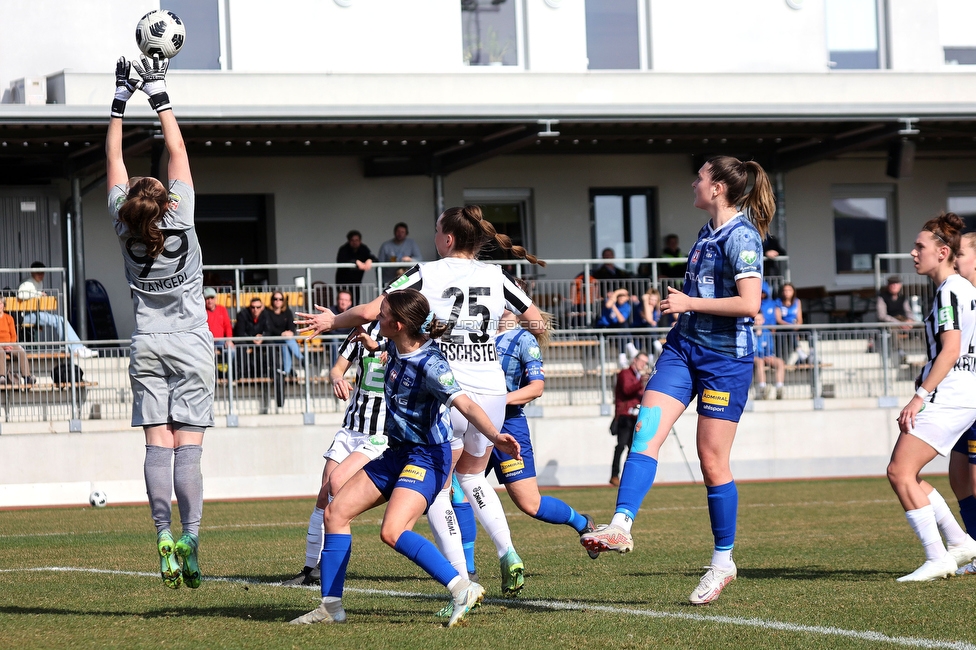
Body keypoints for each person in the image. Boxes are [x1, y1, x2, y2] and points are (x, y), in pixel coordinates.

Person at [297, 204, 546, 598]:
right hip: (492, 393)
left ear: (447, 238)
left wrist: (332, 322)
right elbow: (536, 318)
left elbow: (372, 309)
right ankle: (506, 551)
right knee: (473, 480)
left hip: (448, 390)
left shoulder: (427, 272)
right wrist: (487, 340)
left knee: (439, 492)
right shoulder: (496, 274)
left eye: (435, 231)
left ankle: (462, 582)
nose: (434, 237)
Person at [581, 155, 775, 605]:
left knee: (712, 462)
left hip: (726, 360)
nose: (694, 183)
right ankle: (621, 526)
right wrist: (683, 315)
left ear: (720, 188)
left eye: (701, 178)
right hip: (682, 350)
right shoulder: (707, 232)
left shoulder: (742, 236)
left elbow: (750, 305)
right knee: (645, 431)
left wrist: (689, 303)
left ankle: (722, 561)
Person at [290, 289, 521, 627]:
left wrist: (495, 437)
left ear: (397, 324)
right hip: (396, 451)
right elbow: (387, 352)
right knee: (335, 513)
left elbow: (466, 404)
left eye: (380, 315)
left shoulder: (432, 364)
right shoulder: (396, 345)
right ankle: (331, 608)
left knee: (393, 531)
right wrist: (373, 347)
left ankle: (462, 588)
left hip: (428, 457)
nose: (375, 318)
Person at [106, 54, 213, 590]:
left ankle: (161, 536)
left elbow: (115, 163)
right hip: (191, 340)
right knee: (188, 447)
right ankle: (190, 537)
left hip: (146, 341)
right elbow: (178, 149)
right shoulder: (183, 218)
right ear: (167, 201)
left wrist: (119, 102)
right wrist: (158, 92)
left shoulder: (125, 228)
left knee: (156, 445)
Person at [886, 212, 976, 582]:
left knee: (900, 471)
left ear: (942, 252)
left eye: (919, 246)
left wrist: (920, 396)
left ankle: (937, 556)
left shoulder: (950, 290)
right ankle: (961, 543)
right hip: (960, 393)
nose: (912, 253)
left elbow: (950, 350)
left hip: (951, 394)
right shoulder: (964, 289)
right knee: (911, 473)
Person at [283, 320, 387, 587]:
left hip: (379, 432)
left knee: (337, 489)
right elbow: (336, 370)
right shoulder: (360, 332)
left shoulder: (401, 336)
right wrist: (337, 379)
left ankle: (325, 566)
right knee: (323, 493)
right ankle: (309, 569)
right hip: (351, 427)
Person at [948, 232, 976, 575]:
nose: (955, 257)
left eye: (961, 252)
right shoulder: (960, 294)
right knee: (958, 477)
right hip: (963, 398)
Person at [17, 262, 97, 358]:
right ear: (32, 273)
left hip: (34, 313)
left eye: (42, 273)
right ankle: (76, 348)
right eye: (38, 273)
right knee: (58, 320)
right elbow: (20, 295)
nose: (41, 275)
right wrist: (38, 294)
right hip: (25, 316)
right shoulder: (27, 283)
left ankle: (77, 347)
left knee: (61, 319)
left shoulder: (39, 283)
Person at [609, 352, 649, 487]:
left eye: (645, 362)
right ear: (635, 360)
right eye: (642, 361)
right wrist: (641, 382)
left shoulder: (639, 378)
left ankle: (628, 477)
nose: (643, 364)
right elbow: (627, 390)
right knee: (621, 445)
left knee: (633, 448)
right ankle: (615, 475)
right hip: (625, 415)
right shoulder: (625, 374)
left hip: (636, 416)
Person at [267, 291, 304, 377]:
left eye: (280, 299)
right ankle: (302, 358)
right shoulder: (268, 312)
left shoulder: (287, 311)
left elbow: (291, 325)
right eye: (275, 299)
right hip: (274, 338)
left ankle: (286, 371)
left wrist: (290, 332)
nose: (278, 301)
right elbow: (270, 327)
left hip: (286, 339)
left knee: (286, 343)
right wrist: (282, 334)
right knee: (287, 341)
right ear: (272, 300)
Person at [335, 230, 377, 302]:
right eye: (352, 240)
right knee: (343, 303)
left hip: (356, 282)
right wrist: (355, 261)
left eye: (357, 240)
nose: (355, 242)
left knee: (355, 302)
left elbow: (375, 259)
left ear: (360, 241)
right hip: (343, 282)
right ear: (349, 241)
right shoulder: (343, 249)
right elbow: (341, 261)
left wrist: (369, 260)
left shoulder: (363, 248)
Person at [0, 296, 34, 385]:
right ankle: (2, 376)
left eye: (0, 303)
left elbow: (13, 334)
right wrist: (3, 346)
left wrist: (10, 344)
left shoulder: (9, 318)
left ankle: (27, 377)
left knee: (21, 352)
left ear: (3, 305)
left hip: (9, 343)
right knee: (1, 353)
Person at [752, 312, 784, 400]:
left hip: (766, 356)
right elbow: (751, 349)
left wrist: (769, 355)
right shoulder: (750, 332)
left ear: (763, 321)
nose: (757, 322)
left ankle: (779, 387)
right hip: (755, 357)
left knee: (780, 362)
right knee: (760, 361)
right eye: (756, 320)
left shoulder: (767, 332)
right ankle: (762, 387)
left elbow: (770, 347)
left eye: (759, 320)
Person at [774, 282, 806, 364]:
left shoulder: (797, 301)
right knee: (789, 333)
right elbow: (779, 319)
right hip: (783, 327)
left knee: (808, 331)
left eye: (789, 290)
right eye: (784, 290)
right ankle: (798, 350)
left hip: (793, 327)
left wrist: (798, 325)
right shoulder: (778, 302)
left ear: (793, 291)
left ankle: (810, 351)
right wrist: (790, 326)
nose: (786, 292)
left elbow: (799, 318)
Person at [204, 287, 234, 366]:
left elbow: (227, 325)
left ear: (215, 298)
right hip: (207, 342)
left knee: (232, 351)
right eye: (207, 298)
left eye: (212, 298)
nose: (209, 301)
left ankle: (231, 375)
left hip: (221, 341)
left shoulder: (222, 309)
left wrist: (229, 339)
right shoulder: (202, 311)